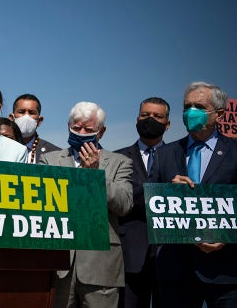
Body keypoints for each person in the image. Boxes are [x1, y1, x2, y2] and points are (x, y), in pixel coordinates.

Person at [148, 82, 237, 307]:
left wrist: (226, 237)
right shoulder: (165, 154)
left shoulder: (234, 152)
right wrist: (169, 193)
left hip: (226, 273)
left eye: (198, 106)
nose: (190, 112)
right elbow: (149, 204)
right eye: (187, 106)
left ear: (219, 114)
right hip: (175, 271)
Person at [38, 101, 133, 308]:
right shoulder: (49, 160)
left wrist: (96, 176)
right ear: (68, 127)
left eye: (88, 129)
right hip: (59, 264)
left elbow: (124, 204)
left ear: (101, 132)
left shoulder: (120, 162)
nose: (81, 133)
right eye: (76, 128)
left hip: (101, 266)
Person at [114, 97, 171, 308]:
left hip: (170, 255)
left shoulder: (180, 155)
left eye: (158, 116)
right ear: (137, 118)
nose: (150, 120)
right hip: (130, 255)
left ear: (168, 124)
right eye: (145, 115)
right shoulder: (117, 157)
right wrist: (161, 193)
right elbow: (119, 197)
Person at [9, 93, 61, 163]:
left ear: (39, 121)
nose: (26, 116)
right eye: (21, 112)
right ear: (11, 118)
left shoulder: (55, 154)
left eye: (31, 113)